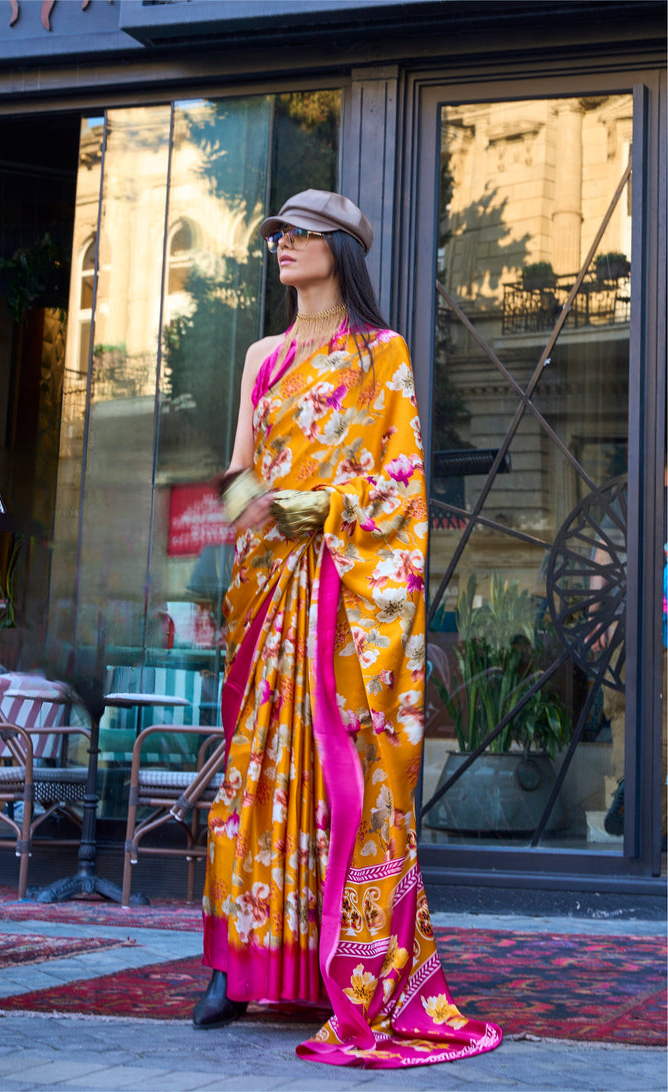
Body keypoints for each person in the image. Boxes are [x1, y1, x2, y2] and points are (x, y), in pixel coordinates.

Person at [194, 190, 502, 1069]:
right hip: (268, 594)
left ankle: (350, 969)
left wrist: (318, 506)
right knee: (253, 778)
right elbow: (234, 474)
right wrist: (255, 505)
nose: (281, 246)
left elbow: (403, 487)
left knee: (345, 784)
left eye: (297, 235)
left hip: (343, 590)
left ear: (340, 250)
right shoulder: (262, 354)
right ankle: (233, 964)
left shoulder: (381, 355)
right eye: (277, 236)